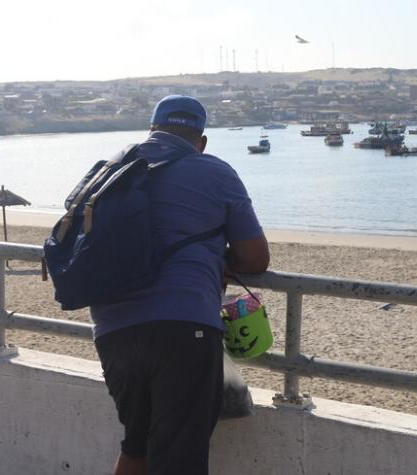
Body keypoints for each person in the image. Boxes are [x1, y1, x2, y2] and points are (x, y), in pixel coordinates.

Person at [91, 95, 269, 475]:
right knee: (181, 458)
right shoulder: (214, 171)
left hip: (112, 330)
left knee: (136, 445)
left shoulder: (112, 169)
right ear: (200, 141)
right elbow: (256, 259)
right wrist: (219, 259)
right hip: (183, 328)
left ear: (152, 131)